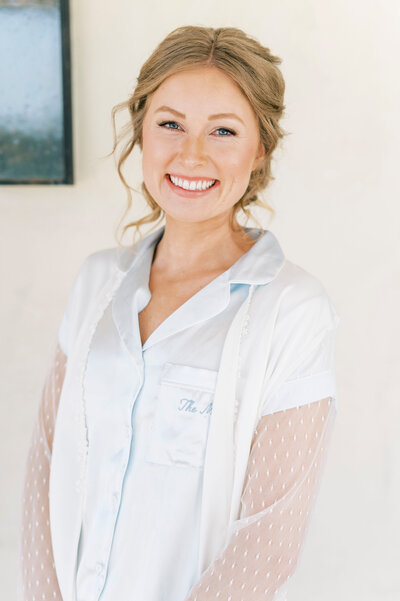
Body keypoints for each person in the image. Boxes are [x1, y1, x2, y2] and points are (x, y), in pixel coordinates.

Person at [19, 25, 339, 601]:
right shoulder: (97, 282)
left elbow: (269, 541)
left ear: (259, 147)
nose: (192, 154)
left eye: (223, 131)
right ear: (142, 131)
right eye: (171, 124)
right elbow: (46, 466)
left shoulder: (291, 308)